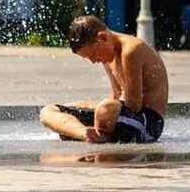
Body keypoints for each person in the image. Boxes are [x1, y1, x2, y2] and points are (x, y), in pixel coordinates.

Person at [38, 15, 169, 144]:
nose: (94, 61)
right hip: (123, 116)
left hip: (147, 124)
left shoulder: (131, 50)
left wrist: (101, 113)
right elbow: (117, 96)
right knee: (48, 111)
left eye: (93, 55)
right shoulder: (107, 56)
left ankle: (87, 132)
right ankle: (86, 134)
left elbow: (134, 105)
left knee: (105, 107)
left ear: (103, 37)